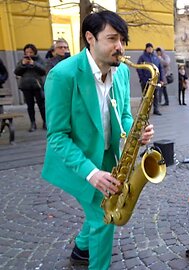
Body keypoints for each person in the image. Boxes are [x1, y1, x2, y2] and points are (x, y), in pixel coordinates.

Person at [41, 10, 154, 269]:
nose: (120, 47)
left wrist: (137, 130)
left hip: (106, 154)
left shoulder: (122, 72)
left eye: (123, 40)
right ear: (90, 38)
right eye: (112, 39)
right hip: (77, 159)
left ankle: (81, 249)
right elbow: (57, 137)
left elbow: (123, 114)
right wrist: (91, 174)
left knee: (96, 208)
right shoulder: (63, 75)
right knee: (105, 216)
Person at [14, 43, 47, 132]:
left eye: (31, 52)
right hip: (26, 86)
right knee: (30, 106)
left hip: (37, 85)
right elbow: (16, 72)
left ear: (34, 52)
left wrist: (34, 64)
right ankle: (33, 123)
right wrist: (23, 65)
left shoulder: (39, 60)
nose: (28, 54)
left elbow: (44, 70)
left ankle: (45, 122)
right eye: (26, 52)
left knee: (42, 105)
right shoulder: (22, 60)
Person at [137, 43, 163, 115]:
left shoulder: (155, 57)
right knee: (145, 96)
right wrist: (142, 78)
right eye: (148, 48)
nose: (150, 49)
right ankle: (144, 111)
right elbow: (139, 68)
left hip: (155, 81)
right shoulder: (142, 57)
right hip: (146, 81)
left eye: (151, 48)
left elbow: (160, 68)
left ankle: (156, 109)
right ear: (146, 49)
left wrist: (161, 79)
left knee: (155, 96)